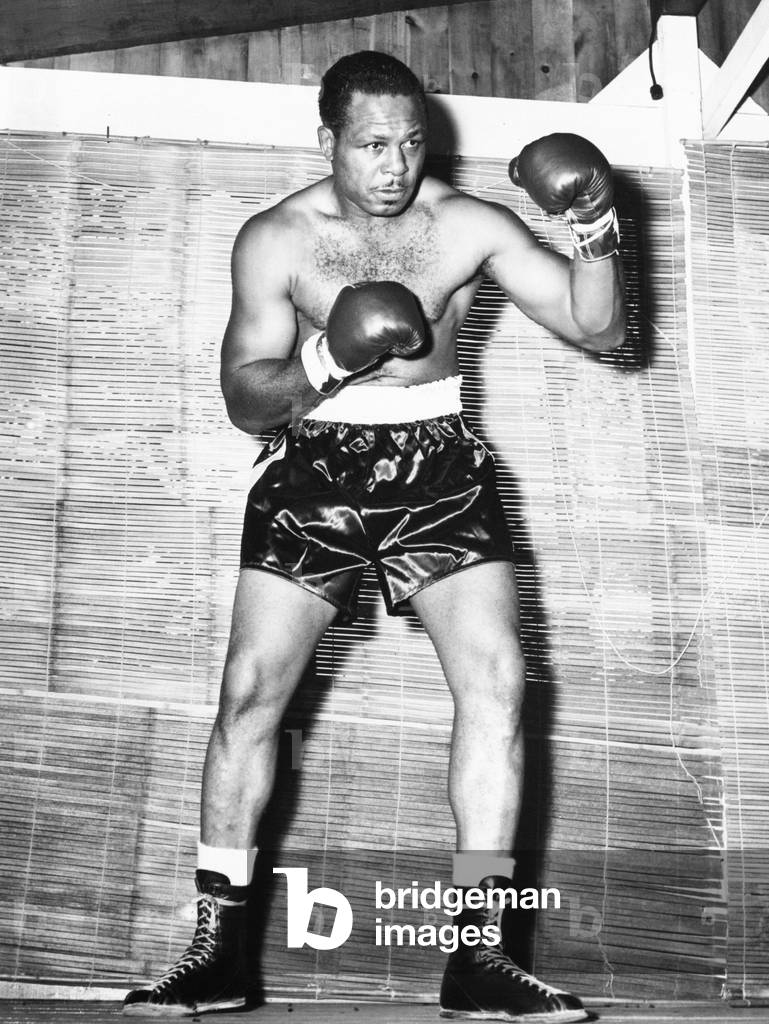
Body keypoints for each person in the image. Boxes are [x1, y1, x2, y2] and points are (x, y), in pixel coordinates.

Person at [123, 50, 624, 1020]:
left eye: (410, 143)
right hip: (315, 471)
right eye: (371, 145)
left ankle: (478, 953)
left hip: (439, 467)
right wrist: (328, 353)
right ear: (328, 142)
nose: (394, 166)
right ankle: (218, 948)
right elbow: (245, 398)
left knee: (497, 684)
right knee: (249, 691)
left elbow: (597, 330)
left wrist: (598, 227)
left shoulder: (468, 224)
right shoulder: (276, 239)